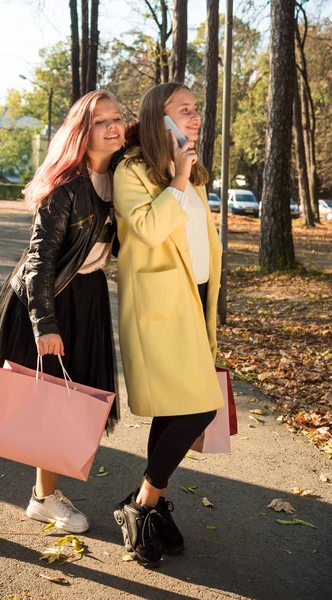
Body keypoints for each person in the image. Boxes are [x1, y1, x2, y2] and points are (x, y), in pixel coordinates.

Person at [0, 90, 124, 552]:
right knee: (16, 405)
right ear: (81, 132)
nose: (112, 126)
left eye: (117, 118)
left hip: (87, 299)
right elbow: (40, 259)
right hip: (43, 300)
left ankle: (44, 497)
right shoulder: (66, 185)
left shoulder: (125, 179)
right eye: (99, 120)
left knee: (65, 400)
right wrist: (44, 323)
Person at [112, 83, 225, 567]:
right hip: (159, 308)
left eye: (196, 110)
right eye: (185, 110)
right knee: (199, 408)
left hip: (196, 300)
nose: (195, 117)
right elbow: (153, 229)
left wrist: (184, 174)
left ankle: (146, 507)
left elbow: (200, 237)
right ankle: (142, 506)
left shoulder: (192, 172)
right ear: (160, 118)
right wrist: (177, 177)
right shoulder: (133, 171)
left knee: (176, 409)